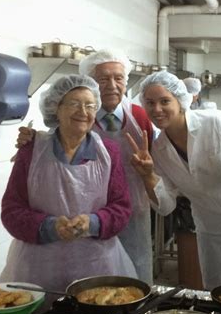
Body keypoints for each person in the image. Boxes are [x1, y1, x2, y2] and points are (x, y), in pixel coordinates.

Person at [17, 49, 155, 284]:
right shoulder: (78, 117)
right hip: (83, 214)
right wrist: (29, 141)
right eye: (103, 79)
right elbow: (52, 149)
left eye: (119, 78)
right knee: (92, 280)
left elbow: (157, 156)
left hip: (132, 212)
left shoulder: (141, 116)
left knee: (136, 275)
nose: (112, 85)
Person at [0, 75, 136, 292]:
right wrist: (49, 227)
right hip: (38, 269)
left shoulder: (108, 152)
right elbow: (11, 210)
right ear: (56, 109)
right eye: (74, 104)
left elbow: (121, 208)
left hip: (96, 267)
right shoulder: (32, 150)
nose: (83, 112)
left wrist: (92, 223)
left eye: (90, 105)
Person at [127, 70, 221, 290]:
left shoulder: (216, 122)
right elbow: (166, 206)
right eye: (150, 103)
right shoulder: (159, 149)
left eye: (164, 101)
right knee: (219, 289)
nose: (157, 109)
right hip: (211, 225)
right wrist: (148, 176)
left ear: (181, 100)